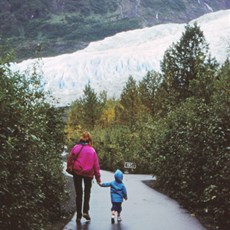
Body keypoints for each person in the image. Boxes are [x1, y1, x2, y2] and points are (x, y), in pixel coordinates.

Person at [70, 131, 101, 223]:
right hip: (88, 174)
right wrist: (98, 178)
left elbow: (70, 159)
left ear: (81, 138)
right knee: (87, 193)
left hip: (77, 173)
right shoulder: (92, 150)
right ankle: (85, 211)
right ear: (90, 140)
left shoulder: (75, 148)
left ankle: (78, 215)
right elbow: (96, 165)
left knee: (79, 193)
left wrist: (71, 169)